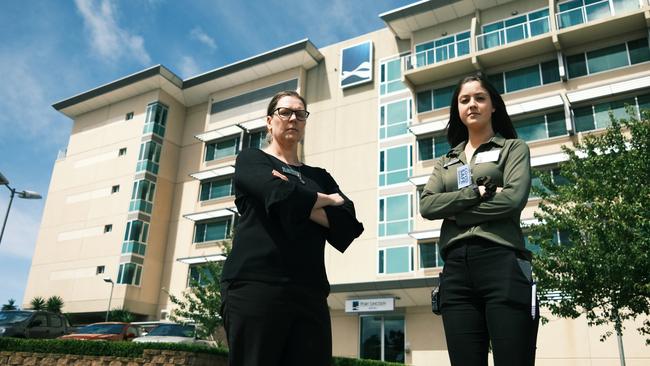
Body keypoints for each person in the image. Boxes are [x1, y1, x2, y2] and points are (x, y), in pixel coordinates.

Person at [220, 90, 364, 366]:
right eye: (285, 112)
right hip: (255, 285)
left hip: (310, 291)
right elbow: (276, 195)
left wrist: (294, 195)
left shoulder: (319, 176)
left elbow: (348, 224)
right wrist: (326, 201)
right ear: (269, 121)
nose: (293, 118)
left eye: (300, 113)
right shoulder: (252, 160)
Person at [419, 74, 538, 366]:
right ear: (457, 110)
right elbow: (427, 204)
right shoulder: (446, 161)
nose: (472, 104)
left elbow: (512, 200)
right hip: (456, 270)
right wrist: (475, 193)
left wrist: (455, 214)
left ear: (493, 106)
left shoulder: (514, 148)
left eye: (479, 97)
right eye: (464, 100)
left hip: (502, 260)